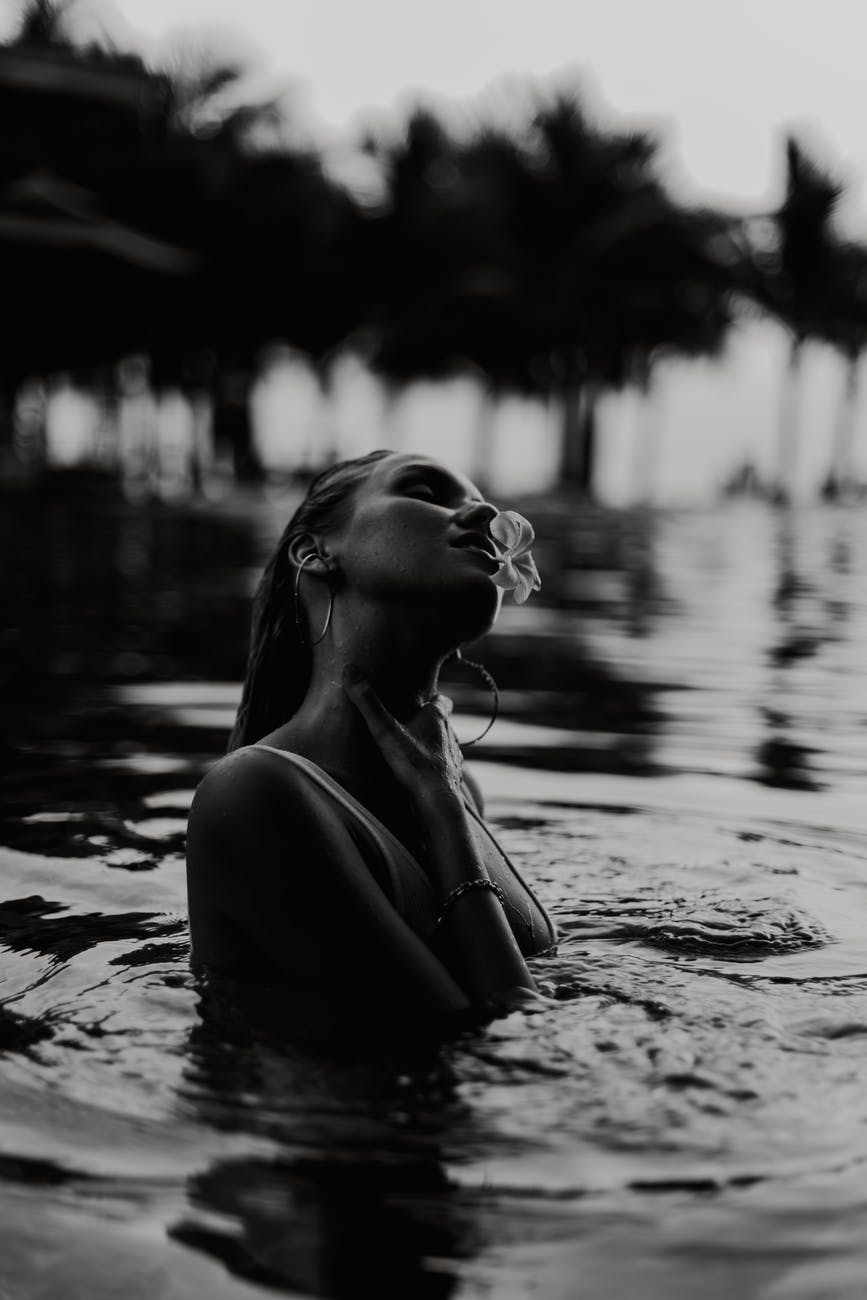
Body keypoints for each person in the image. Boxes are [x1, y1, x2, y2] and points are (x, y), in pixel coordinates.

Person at [186, 449, 556, 1025]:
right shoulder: (253, 795)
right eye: (427, 494)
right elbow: (493, 1037)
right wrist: (441, 811)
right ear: (315, 554)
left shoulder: (460, 792)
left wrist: (445, 802)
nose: (484, 510)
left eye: (475, 498)